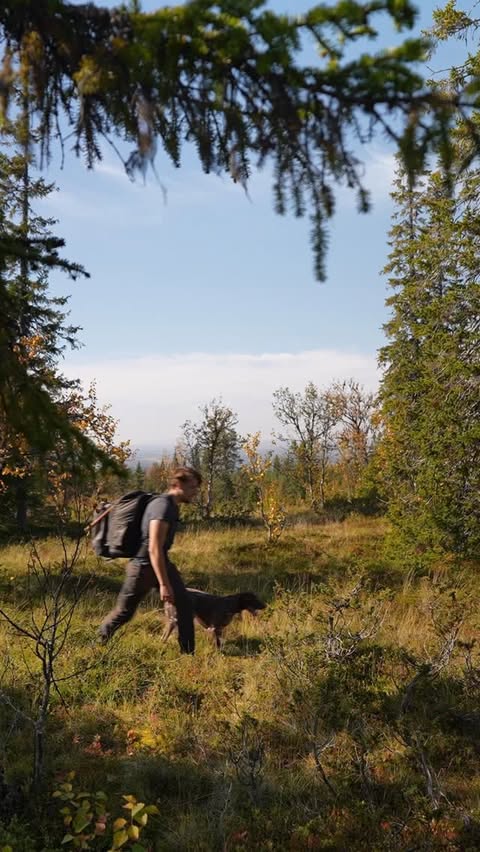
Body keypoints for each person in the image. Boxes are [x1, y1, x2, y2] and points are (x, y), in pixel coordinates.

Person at [99, 466, 202, 653]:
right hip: (143, 567)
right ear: (178, 485)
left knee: (185, 604)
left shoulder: (171, 506)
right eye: (193, 487)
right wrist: (163, 584)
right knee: (124, 612)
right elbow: (154, 547)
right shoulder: (162, 507)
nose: (195, 492)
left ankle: (187, 655)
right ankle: (98, 643)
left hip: (160, 563)